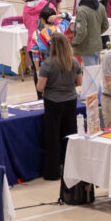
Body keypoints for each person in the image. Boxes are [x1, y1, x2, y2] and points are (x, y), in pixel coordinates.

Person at [37, 33, 82, 189]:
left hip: (53, 102)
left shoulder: (48, 64)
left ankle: (52, 172)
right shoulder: (74, 61)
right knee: (69, 136)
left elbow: (40, 87)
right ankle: (71, 169)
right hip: (70, 101)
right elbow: (79, 82)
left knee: (52, 137)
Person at [71, 0, 108, 66]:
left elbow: (81, 32)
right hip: (97, 45)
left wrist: (74, 43)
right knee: (94, 72)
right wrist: (95, 33)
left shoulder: (82, 10)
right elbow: (105, 25)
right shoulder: (100, 6)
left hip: (86, 48)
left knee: (91, 75)